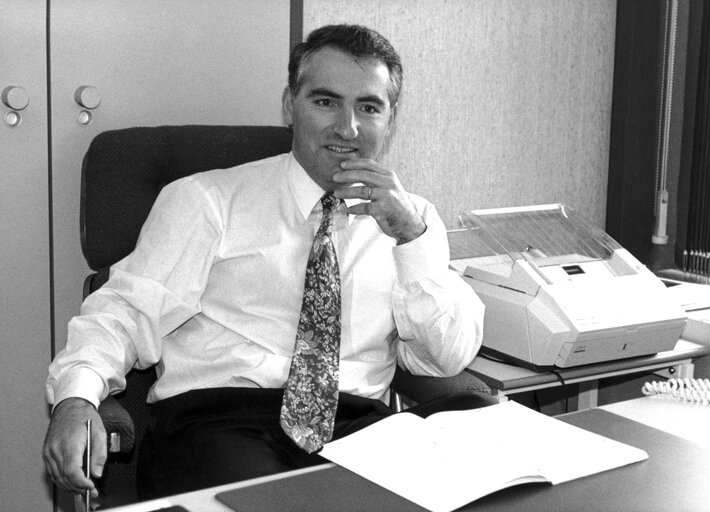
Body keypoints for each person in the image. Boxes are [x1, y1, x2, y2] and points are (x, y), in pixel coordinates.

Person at [43, 23, 485, 502]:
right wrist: (76, 396)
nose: (347, 127)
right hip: (220, 421)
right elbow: (128, 311)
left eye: (369, 107)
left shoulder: (411, 221)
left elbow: (446, 358)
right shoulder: (207, 200)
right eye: (325, 101)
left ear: (390, 119)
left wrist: (411, 241)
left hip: (361, 433)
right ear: (289, 104)